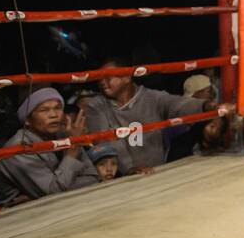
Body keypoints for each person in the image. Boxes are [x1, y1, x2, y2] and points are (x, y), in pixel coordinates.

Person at [83, 59, 212, 173]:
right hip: (119, 177)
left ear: (126, 77)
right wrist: (129, 168)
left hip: (156, 171)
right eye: (99, 78)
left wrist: (206, 106)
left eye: (107, 77)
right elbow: (105, 141)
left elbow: (177, 104)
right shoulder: (96, 106)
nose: (102, 82)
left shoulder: (151, 97)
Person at [0, 87, 100, 204]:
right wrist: (72, 151)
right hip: (22, 216)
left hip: (64, 203)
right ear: (27, 120)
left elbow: (93, 177)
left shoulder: (64, 133)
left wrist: (40, 194)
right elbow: (53, 194)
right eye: (44, 110)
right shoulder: (17, 148)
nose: (53, 115)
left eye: (58, 108)